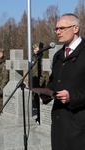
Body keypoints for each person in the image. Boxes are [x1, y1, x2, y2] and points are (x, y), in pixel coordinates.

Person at [40, 13, 85, 150]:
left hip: (80, 124)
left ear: (75, 28)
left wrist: (72, 97)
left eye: (62, 28)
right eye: (56, 29)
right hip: (59, 121)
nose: (58, 32)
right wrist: (45, 92)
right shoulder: (58, 55)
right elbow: (55, 82)